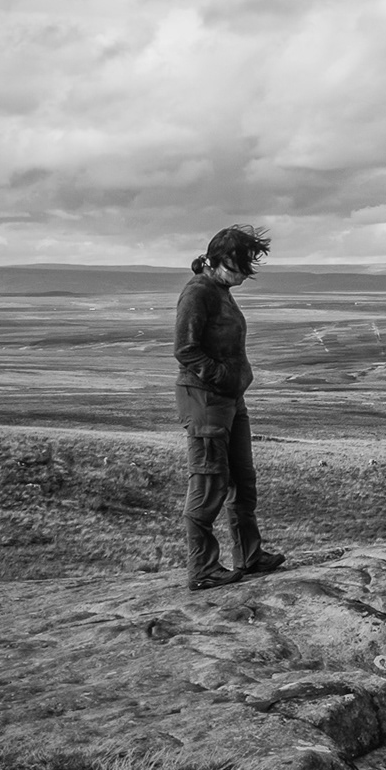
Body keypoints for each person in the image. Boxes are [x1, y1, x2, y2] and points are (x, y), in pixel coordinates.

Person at [174, 224, 285, 590]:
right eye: (239, 267)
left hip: (230, 398)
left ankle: (249, 556)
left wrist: (233, 382)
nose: (243, 276)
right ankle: (203, 569)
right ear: (217, 260)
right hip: (205, 399)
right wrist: (221, 376)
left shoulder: (219, 290)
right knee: (209, 482)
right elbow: (185, 349)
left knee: (242, 479)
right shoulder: (198, 292)